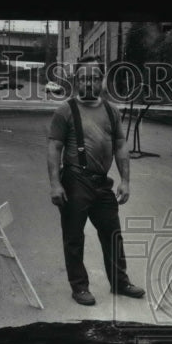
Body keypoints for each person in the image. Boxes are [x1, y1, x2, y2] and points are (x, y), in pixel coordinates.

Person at [47, 58, 145, 306]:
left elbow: (121, 146)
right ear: (76, 81)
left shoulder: (112, 111)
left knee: (112, 233)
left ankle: (120, 282)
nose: (88, 82)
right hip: (75, 180)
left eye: (93, 78)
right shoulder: (65, 111)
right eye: (83, 78)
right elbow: (54, 147)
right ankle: (79, 287)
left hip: (103, 183)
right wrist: (55, 184)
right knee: (73, 236)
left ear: (101, 80)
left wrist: (126, 181)